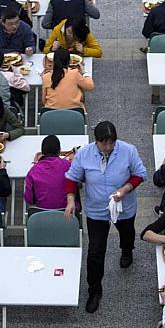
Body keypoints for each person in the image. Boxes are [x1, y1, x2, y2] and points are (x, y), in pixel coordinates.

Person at [64, 121, 147, 313]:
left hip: (124, 206)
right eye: (104, 143)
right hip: (96, 210)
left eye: (111, 143)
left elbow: (140, 174)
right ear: (97, 142)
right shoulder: (84, 154)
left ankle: (127, 250)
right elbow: (72, 178)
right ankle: (94, 290)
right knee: (95, 252)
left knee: (127, 233)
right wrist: (70, 200)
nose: (108, 147)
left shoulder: (129, 151)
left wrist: (125, 189)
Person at [24, 135, 73, 212]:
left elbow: (29, 199)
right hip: (69, 215)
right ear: (59, 151)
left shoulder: (33, 171)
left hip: (42, 216)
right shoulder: (69, 166)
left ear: (42, 152)